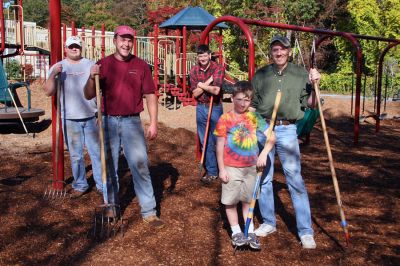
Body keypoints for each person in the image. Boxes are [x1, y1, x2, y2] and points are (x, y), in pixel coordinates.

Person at [83, 25, 164, 228]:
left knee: (140, 164)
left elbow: (150, 95)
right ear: (115, 40)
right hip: (108, 121)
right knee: (109, 166)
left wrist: (153, 122)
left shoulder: (141, 65)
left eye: (130, 40)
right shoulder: (103, 65)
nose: (126, 43)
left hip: (132, 122)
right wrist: (91, 76)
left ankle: (149, 211)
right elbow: (88, 94)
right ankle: (111, 206)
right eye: (123, 39)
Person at [251, 35, 321, 249]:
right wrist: (248, 127)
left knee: (294, 179)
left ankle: (305, 231)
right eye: (275, 49)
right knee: (263, 176)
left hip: (288, 129)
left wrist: (316, 85)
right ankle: (269, 222)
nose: (279, 53)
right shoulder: (261, 74)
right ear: (271, 52)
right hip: (263, 127)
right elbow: (252, 106)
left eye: (282, 49)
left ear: (289, 52)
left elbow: (311, 103)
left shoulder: (301, 74)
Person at [214, 80, 276, 249]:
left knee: (248, 201)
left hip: (251, 168)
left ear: (251, 101)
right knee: (230, 201)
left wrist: (263, 153)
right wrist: (221, 169)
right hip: (231, 166)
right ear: (232, 98)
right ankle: (236, 232)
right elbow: (219, 145)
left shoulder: (254, 117)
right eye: (239, 99)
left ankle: (248, 231)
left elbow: (272, 138)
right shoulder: (225, 119)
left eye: (246, 100)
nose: (242, 103)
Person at [43, 35, 103, 199]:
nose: (74, 48)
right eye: (71, 46)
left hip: (91, 116)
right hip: (69, 118)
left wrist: (100, 111)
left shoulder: (91, 64)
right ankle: (80, 184)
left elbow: (99, 90)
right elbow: (48, 91)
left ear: (81, 47)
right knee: (76, 155)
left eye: (77, 46)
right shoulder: (58, 66)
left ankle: (101, 185)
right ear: (66, 48)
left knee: (96, 153)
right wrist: (53, 75)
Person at [189, 44, 225, 184]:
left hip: (215, 107)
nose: (202, 58)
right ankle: (212, 171)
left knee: (219, 139)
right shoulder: (193, 71)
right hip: (201, 108)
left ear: (209, 55)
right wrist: (207, 83)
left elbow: (216, 91)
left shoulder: (218, 68)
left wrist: (201, 85)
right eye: (200, 56)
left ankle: (224, 168)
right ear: (197, 57)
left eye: (205, 55)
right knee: (205, 141)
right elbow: (195, 94)